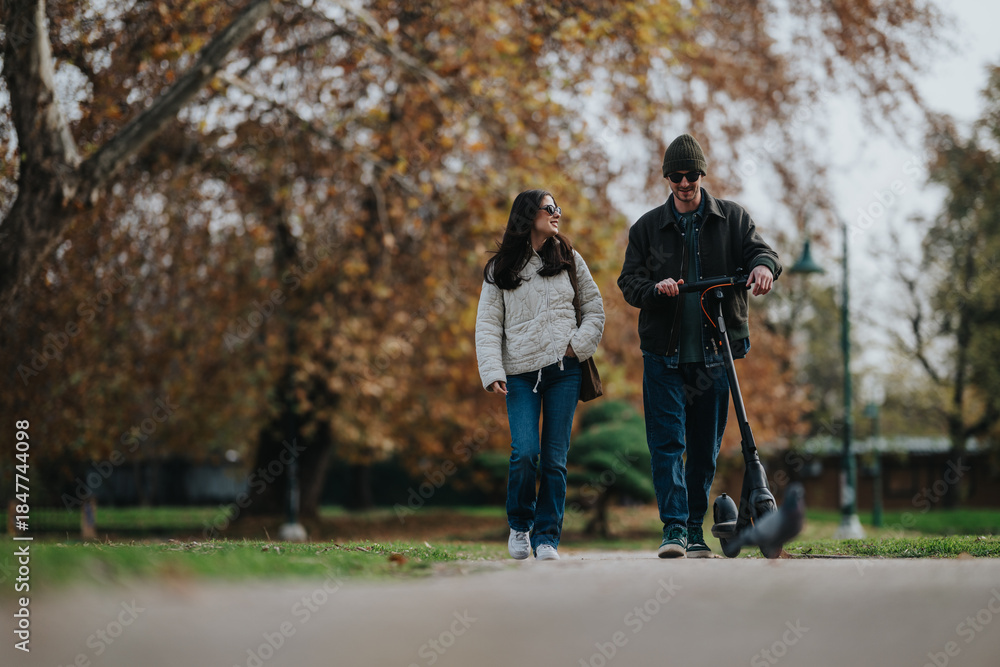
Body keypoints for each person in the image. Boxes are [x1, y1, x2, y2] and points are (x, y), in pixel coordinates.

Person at [617, 134, 780, 558]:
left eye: (691, 176)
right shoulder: (647, 228)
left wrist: (763, 268)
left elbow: (763, 253)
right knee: (668, 443)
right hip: (663, 355)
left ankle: (695, 531)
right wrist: (656, 288)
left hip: (713, 353)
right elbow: (629, 284)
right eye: (676, 177)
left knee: (704, 448)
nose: (684, 183)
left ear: (702, 175)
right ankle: (672, 529)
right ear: (667, 179)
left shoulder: (731, 219)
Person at [476, 190, 605, 561]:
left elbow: (594, 309)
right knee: (525, 452)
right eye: (551, 209)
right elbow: (487, 326)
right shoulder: (499, 268)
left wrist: (575, 347)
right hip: (518, 374)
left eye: (558, 208)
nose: (557, 214)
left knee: (554, 458)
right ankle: (520, 525)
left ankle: (547, 537)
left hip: (564, 370)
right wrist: (492, 371)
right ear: (529, 214)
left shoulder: (568, 257)